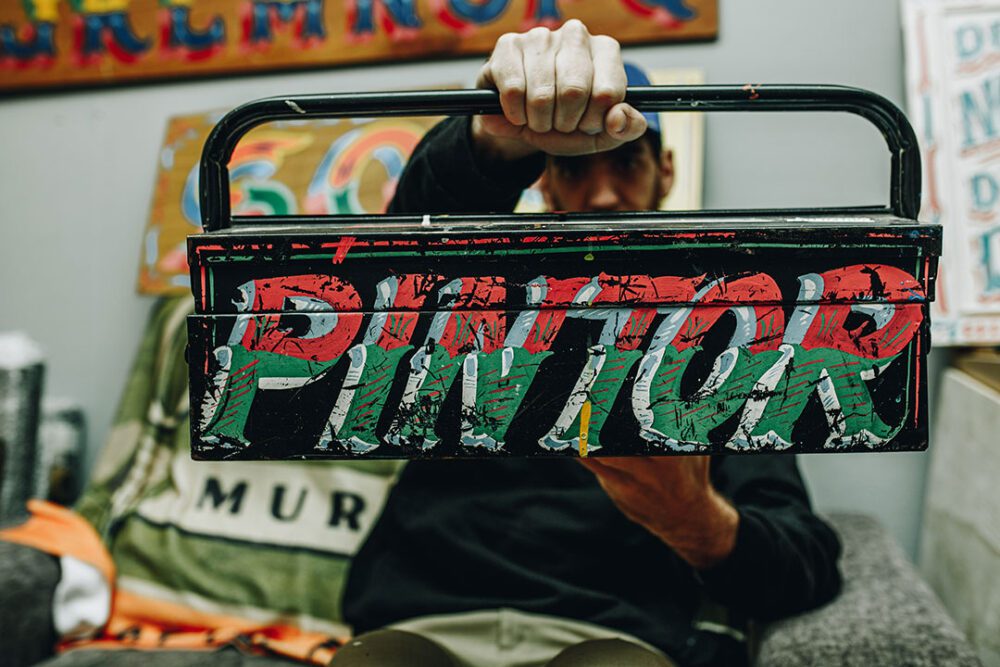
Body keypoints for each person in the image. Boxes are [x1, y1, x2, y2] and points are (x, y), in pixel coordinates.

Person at [332, 19, 842, 667]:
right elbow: (398, 264)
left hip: (611, 635)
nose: (603, 194)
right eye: (574, 166)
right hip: (418, 621)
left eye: (626, 161)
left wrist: (695, 519)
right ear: (544, 184)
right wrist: (491, 139)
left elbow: (806, 560)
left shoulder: (731, 339)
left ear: (666, 170)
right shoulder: (472, 297)